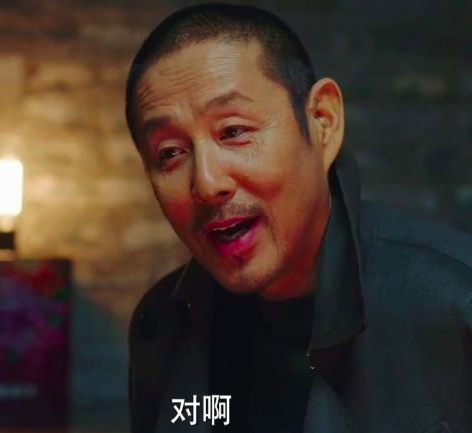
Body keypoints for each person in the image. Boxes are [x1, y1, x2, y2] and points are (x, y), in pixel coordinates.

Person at [124, 4, 472, 433]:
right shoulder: (164, 323)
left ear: (323, 122)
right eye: (170, 153)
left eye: (233, 131)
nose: (207, 183)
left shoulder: (452, 302)